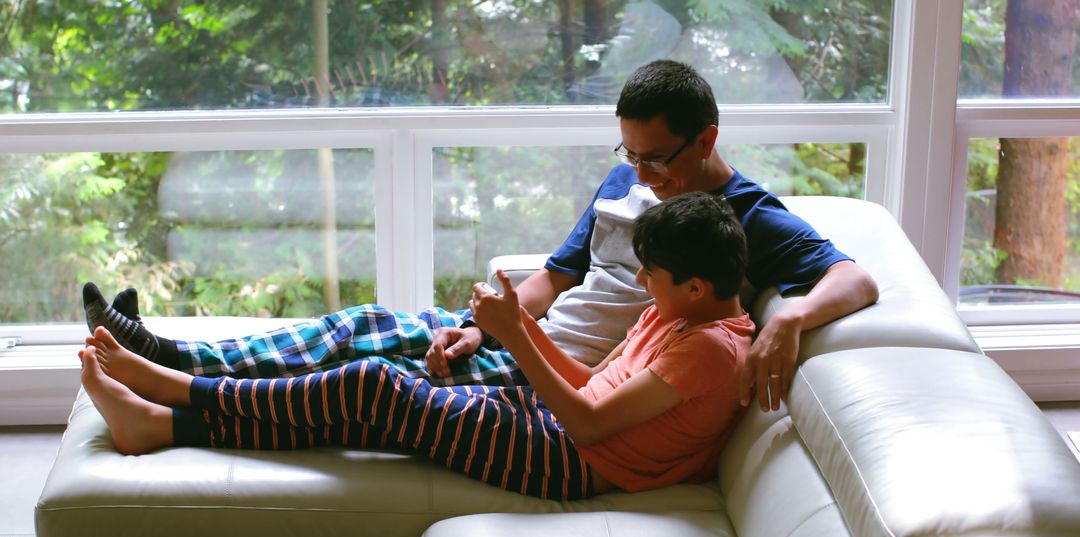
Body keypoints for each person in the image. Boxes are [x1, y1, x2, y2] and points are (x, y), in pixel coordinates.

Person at [82, 59, 878, 413]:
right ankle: (172, 353)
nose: (642, 172)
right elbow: (556, 278)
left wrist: (791, 319)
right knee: (367, 322)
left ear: (706, 139)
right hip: (520, 342)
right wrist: (479, 326)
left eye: (658, 157)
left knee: (373, 360)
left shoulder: (746, 213)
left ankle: (179, 386)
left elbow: (856, 279)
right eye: (628, 153)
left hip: (561, 378)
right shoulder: (626, 181)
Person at [79, 192, 755, 501]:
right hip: (557, 426)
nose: (641, 282)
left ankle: (177, 388)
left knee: (374, 387)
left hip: (573, 463)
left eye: (653, 275)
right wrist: (517, 322)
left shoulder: (710, 350)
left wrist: (517, 335)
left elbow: (586, 420)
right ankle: (163, 425)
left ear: (696, 286)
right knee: (371, 403)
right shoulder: (678, 317)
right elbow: (589, 379)